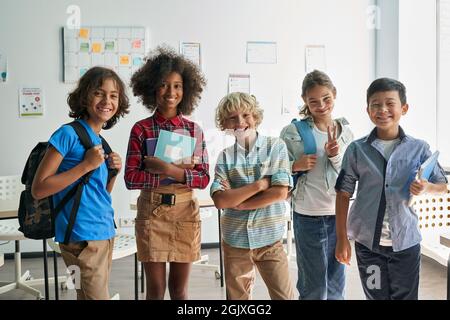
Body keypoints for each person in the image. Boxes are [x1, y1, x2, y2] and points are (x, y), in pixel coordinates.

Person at [335, 77, 448, 300]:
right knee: (376, 296)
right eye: (375, 104)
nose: (382, 110)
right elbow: (343, 193)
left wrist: (426, 188)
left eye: (390, 103)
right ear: (367, 110)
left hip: (405, 244)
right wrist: (341, 238)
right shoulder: (357, 150)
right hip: (368, 246)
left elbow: (443, 186)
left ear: (403, 108)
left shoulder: (419, 148)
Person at [31, 66, 130, 300]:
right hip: (80, 239)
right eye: (99, 93)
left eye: (113, 95)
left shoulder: (100, 141)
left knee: (84, 295)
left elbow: (98, 193)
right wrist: (85, 165)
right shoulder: (67, 134)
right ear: (85, 96)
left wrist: (113, 173)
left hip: (103, 232)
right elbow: (39, 188)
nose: (107, 100)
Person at [124, 46, 209, 300]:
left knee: (180, 291)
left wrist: (166, 168)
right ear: (152, 88)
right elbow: (130, 178)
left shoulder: (194, 131)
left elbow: (203, 178)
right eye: (163, 85)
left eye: (177, 86)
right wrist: (171, 173)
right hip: (152, 212)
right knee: (155, 290)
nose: (171, 92)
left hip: (185, 212)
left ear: (186, 90)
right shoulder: (141, 130)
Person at [210, 92, 294, 300]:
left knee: (284, 296)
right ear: (225, 124)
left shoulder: (275, 147)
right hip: (235, 240)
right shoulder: (225, 157)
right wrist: (261, 184)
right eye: (232, 117)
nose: (240, 122)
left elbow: (280, 192)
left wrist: (240, 203)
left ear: (255, 117)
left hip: (270, 240)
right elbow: (221, 200)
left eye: (246, 115)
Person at [280, 70, 353, 300]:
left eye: (326, 99)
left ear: (334, 95)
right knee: (314, 288)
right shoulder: (293, 132)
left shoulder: (346, 132)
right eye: (313, 101)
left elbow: (350, 175)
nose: (321, 105)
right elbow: (275, 169)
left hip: (338, 215)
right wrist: (295, 165)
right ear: (305, 101)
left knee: (335, 287)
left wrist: (334, 156)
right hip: (307, 215)